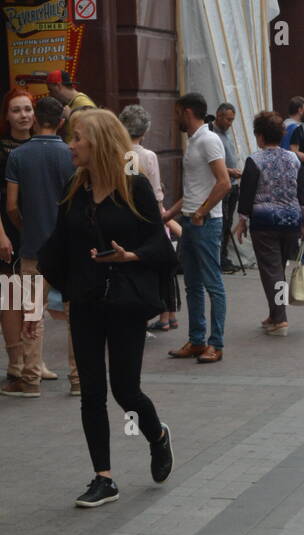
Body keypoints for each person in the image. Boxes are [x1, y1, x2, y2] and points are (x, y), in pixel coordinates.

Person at [36, 110, 175, 508]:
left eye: (77, 138)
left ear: (98, 142)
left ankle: (157, 435)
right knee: (91, 392)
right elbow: (56, 249)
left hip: (126, 303)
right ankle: (104, 478)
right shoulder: (73, 191)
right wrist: (35, 305)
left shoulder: (135, 190)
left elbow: (160, 245)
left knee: (125, 390)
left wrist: (131, 255)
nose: (70, 145)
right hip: (86, 301)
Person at [2, 95, 74, 398]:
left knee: (33, 316)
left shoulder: (18, 156)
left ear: (35, 118)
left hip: (33, 249)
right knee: (75, 316)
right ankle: (79, 379)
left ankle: (29, 379)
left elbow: (12, 205)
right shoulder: (72, 154)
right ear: (60, 121)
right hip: (69, 249)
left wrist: (24, 226)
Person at [164, 92, 230, 364]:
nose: (174, 117)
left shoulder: (209, 140)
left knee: (213, 284)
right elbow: (194, 188)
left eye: (177, 112)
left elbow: (223, 182)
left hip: (205, 222)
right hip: (191, 222)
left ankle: (216, 343)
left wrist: (202, 211)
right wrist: (170, 213)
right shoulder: (194, 140)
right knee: (192, 284)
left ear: (187, 111)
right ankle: (196, 340)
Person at [236, 110, 303, 336]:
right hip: (292, 220)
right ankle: (276, 313)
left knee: (271, 271)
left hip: (265, 221)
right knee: (280, 270)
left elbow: (246, 193)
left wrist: (242, 220)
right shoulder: (293, 159)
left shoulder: (255, 160)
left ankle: (280, 318)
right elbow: (302, 191)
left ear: (261, 137)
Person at [118, 105, 180, 335]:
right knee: (157, 269)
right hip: (147, 220)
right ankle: (163, 315)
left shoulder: (118, 153)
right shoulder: (147, 156)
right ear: (144, 131)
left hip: (125, 219)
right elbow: (155, 194)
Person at [212, 102, 243, 273]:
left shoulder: (225, 133)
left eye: (232, 120)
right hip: (223, 184)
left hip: (233, 185)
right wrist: (230, 171)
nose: (230, 123)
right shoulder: (212, 133)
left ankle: (224, 256)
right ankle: (220, 258)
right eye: (228, 119)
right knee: (222, 223)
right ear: (219, 115)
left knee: (228, 222)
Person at [45, 69, 96, 144]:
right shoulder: (70, 103)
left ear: (59, 86)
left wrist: (70, 116)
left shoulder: (82, 102)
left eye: (51, 90)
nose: (50, 94)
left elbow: (94, 130)